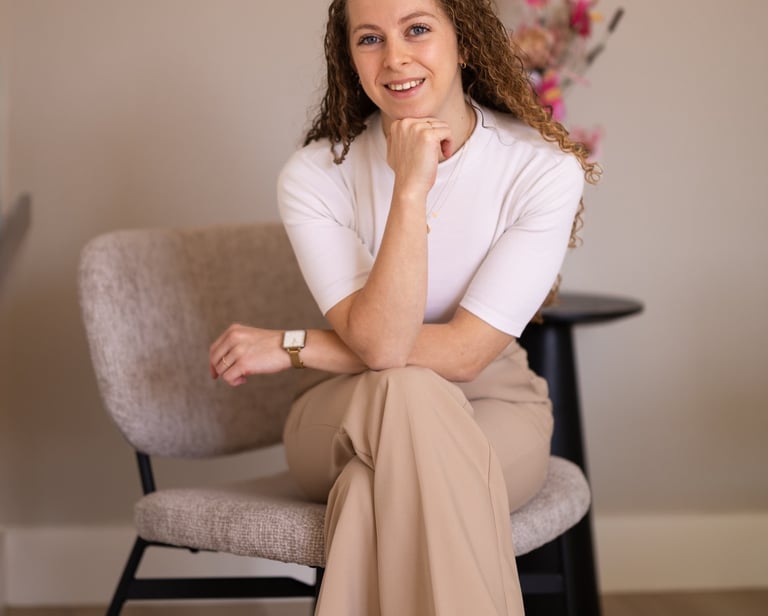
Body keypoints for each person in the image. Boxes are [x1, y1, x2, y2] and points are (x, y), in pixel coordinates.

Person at [209, 0, 599, 613]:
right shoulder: (316, 175)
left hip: (492, 403)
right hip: (347, 408)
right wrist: (411, 187)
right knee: (407, 391)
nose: (394, 57)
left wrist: (297, 346)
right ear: (351, 60)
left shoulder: (542, 169)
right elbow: (383, 354)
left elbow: (468, 354)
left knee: (371, 495)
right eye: (370, 39)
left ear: (464, 41)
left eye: (417, 29)